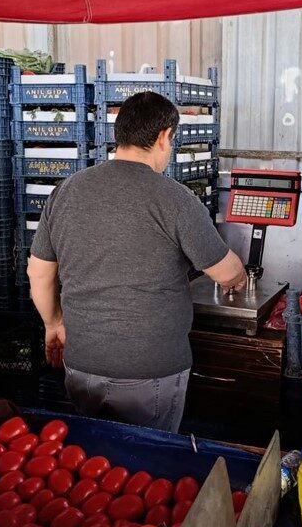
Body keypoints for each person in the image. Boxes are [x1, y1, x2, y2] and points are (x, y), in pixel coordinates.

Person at [27, 91, 246, 432]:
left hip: (82, 362)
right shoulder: (176, 199)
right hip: (151, 369)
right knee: (146, 455)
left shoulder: (66, 190)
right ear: (163, 137)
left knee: (91, 455)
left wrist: (54, 324)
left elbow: (39, 273)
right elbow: (226, 273)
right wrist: (240, 277)